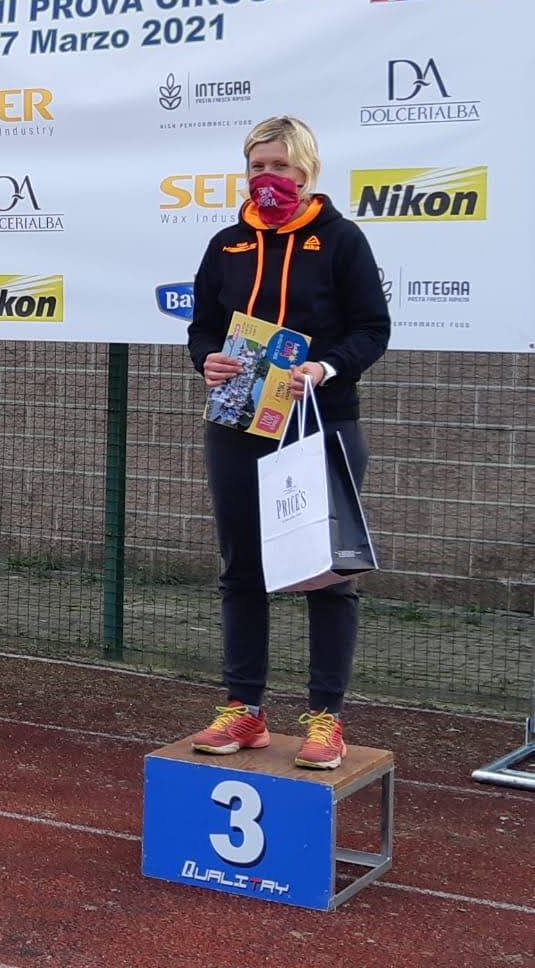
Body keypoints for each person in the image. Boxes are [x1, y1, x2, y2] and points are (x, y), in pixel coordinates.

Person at [186, 116, 390, 769]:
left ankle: (326, 719)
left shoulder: (340, 239)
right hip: (238, 424)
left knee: (326, 575)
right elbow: (202, 328)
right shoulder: (226, 244)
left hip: (320, 423)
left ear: (305, 171)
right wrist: (208, 360)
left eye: (279, 166)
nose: (266, 178)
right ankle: (244, 709)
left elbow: (372, 329)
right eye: (256, 166)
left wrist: (324, 368)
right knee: (241, 570)